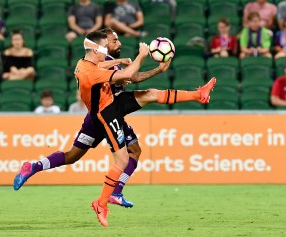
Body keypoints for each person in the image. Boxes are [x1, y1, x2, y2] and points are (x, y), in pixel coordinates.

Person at [13, 28, 170, 209]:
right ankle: (115, 193)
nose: (118, 44)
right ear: (101, 46)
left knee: (74, 156)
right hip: (108, 115)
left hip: (99, 117)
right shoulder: (101, 64)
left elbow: (130, 77)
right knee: (129, 153)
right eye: (113, 41)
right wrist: (150, 64)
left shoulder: (104, 61)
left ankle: (34, 167)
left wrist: (149, 68)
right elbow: (131, 77)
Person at [74, 31, 215, 227]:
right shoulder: (91, 71)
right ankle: (101, 204)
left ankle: (198, 95)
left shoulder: (87, 63)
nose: (108, 49)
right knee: (121, 160)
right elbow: (128, 75)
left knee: (151, 94)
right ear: (97, 48)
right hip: (106, 113)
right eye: (106, 45)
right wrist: (141, 54)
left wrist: (137, 64)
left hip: (114, 102)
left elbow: (107, 67)